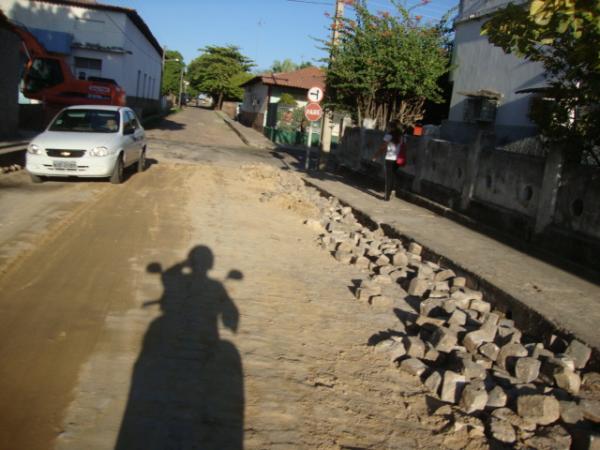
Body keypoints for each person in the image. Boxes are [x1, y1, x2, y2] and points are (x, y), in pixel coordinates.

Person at [372, 125, 404, 201]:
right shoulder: (401, 136)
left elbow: (383, 147)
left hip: (389, 158)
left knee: (388, 177)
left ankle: (387, 196)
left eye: (389, 126)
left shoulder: (388, 136)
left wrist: (376, 155)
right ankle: (392, 190)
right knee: (393, 175)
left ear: (392, 127)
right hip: (398, 159)